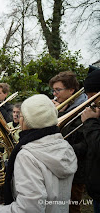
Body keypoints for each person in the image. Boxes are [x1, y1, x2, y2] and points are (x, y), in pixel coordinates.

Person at [0, 94, 77, 213]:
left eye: (21, 115)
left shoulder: (27, 155)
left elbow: (29, 209)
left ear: (27, 121)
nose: (19, 119)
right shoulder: (65, 146)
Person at [49, 71, 88, 213]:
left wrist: (61, 150)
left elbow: (85, 144)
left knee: (71, 207)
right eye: (53, 90)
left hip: (76, 170)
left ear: (71, 90)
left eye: (58, 90)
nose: (55, 94)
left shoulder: (85, 109)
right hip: (58, 165)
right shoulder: (62, 106)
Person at [80, 66, 100, 213]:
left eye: (91, 96)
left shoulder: (93, 119)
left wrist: (89, 122)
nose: (88, 101)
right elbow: (88, 146)